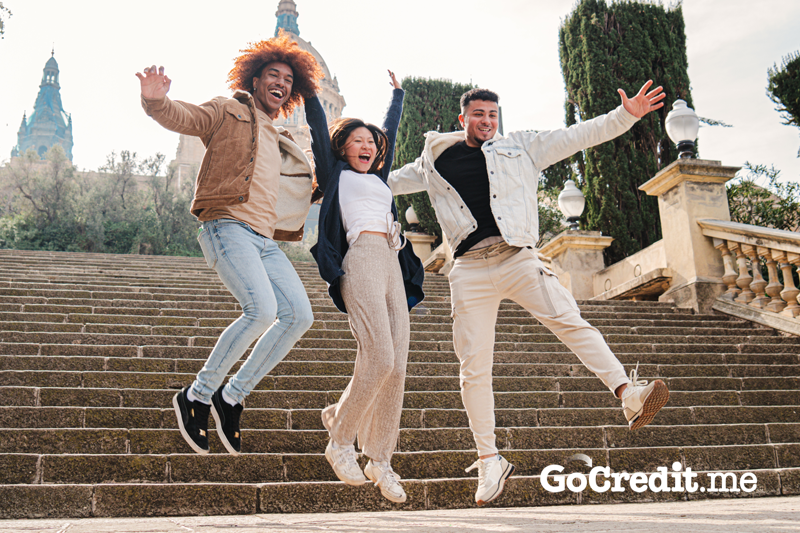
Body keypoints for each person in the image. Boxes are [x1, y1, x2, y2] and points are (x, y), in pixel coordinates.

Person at [388, 81, 669, 506]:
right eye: (479, 114)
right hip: (468, 269)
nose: (487, 121)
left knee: (571, 321)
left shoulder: (521, 147)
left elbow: (578, 136)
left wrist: (625, 115)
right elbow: (384, 182)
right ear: (463, 118)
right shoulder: (434, 159)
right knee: (473, 367)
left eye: (493, 115)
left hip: (516, 257)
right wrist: (330, 181)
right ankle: (489, 460)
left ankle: (628, 394)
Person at [136, 32, 324, 456]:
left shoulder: (281, 139)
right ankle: (197, 395)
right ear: (255, 80)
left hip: (266, 241)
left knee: (300, 316)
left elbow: (293, 191)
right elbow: (186, 117)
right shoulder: (228, 110)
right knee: (261, 311)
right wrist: (155, 101)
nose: (281, 83)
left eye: (288, 80)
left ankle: (233, 395)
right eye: (273, 75)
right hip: (227, 225)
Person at [304, 70, 424, 504]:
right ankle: (340, 440)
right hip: (360, 259)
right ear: (343, 148)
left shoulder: (379, 178)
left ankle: (380, 459)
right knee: (379, 355)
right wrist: (310, 89)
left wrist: (398, 95)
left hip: (392, 260)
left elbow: (389, 131)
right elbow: (318, 127)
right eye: (357, 141)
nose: (367, 146)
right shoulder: (336, 174)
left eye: (371, 143)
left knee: (398, 364)